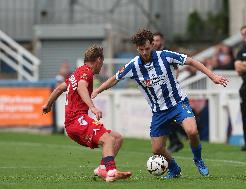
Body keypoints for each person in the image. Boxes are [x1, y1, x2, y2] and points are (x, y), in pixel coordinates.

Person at [92, 29, 228, 178]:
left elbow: (192, 61)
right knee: (157, 150)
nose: (144, 52)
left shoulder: (166, 56)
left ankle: (198, 160)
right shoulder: (134, 65)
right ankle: (174, 169)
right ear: (137, 48)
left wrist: (213, 76)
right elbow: (114, 79)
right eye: (141, 49)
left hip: (178, 104)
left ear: (152, 45)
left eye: (147, 48)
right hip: (159, 112)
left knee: (192, 131)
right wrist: (97, 90)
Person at [42, 44, 131, 182]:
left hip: (73, 124)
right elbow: (82, 87)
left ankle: (102, 168)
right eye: (102, 63)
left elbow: (60, 88)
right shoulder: (86, 73)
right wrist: (93, 107)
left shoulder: (77, 72)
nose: (101, 67)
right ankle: (112, 172)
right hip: (77, 121)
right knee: (108, 140)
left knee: (117, 138)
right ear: (99, 60)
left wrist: (48, 104)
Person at [153, 32, 185, 153]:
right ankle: (179, 138)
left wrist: (172, 83)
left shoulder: (167, 53)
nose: (155, 43)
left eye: (157, 40)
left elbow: (176, 69)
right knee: (168, 118)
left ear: (162, 41)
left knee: (169, 117)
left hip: (170, 92)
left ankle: (177, 140)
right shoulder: (152, 55)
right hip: (159, 93)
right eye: (153, 40)